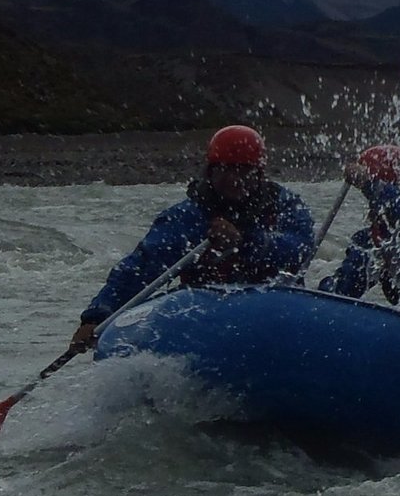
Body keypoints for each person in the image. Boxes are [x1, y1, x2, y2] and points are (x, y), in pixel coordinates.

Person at [68, 125, 315, 351]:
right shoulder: (188, 218)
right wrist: (97, 317)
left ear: (259, 174)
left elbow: (300, 250)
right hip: (205, 316)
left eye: (244, 170)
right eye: (225, 169)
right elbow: (142, 267)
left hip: (272, 311)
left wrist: (246, 241)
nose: (234, 179)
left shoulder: (284, 207)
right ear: (210, 172)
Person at [317, 144, 400, 304]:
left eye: (369, 197)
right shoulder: (370, 241)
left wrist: (370, 183)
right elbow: (342, 292)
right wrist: (317, 294)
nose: (370, 205)